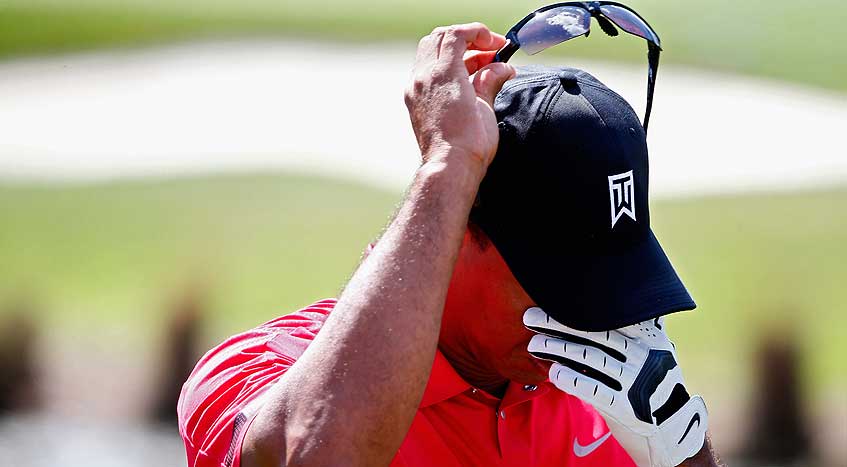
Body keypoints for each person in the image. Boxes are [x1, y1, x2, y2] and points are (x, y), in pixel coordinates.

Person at [177, 23, 723, 467]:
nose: (593, 317)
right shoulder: (258, 369)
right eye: (562, 283)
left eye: (613, 284)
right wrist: (449, 162)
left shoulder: (613, 401)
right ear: (457, 226)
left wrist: (685, 456)